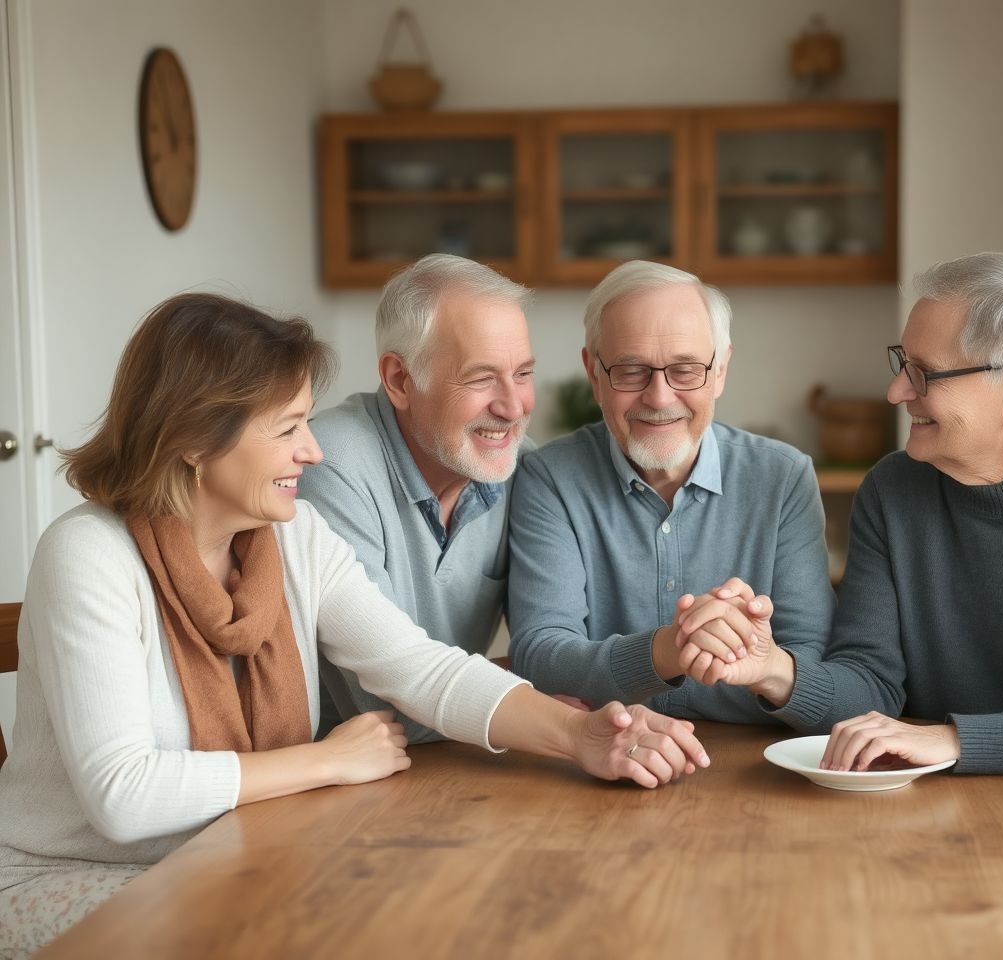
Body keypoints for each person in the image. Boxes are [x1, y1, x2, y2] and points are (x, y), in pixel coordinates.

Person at [0, 293, 708, 957]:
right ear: (194, 441)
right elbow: (124, 797)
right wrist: (326, 760)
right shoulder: (90, 554)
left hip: (237, 857)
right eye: (287, 429)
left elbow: (418, 665)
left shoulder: (292, 536)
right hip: (75, 879)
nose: (311, 450)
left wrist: (578, 736)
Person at [677, 252, 1003, 845]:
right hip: (950, 817)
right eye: (902, 362)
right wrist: (775, 670)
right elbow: (870, 687)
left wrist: (954, 740)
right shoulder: (894, 490)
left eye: (925, 372)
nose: (897, 391)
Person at [506, 261, 834, 723]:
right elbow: (541, 658)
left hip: (758, 765)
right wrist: (673, 647)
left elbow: (815, 661)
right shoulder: (549, 479)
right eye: (631, 370)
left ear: (720, 371)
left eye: (685, 371)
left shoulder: (784, 478)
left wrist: (759, 658)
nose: (659, 398)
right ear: (593, 373)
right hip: (606, 755)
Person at [299, 255, 541, 742]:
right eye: (480, 377)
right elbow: (390, 708)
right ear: (400, 380)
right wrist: (536, 697)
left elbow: (553, 650)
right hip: (336, 784)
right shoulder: (331, 466)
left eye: (522, 374)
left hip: (454, 762)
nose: (512, 406)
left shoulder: (521, 466)